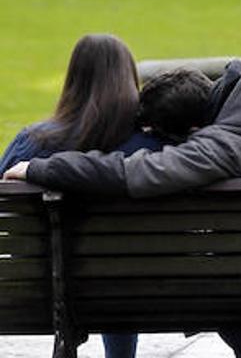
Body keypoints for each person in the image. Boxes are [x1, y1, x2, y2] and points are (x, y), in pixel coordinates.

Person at [6, 56, 241, 358]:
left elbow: (136, 173)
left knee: (234, 278)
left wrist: (40, 168)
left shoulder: (221, 146)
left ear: (191, 129)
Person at [0, 33, 161, 358]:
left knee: (95, 272)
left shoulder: (33, 143)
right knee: (119, 267)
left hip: (45, 284)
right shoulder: (156, 147)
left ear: (73, 80)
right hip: (145, 285)